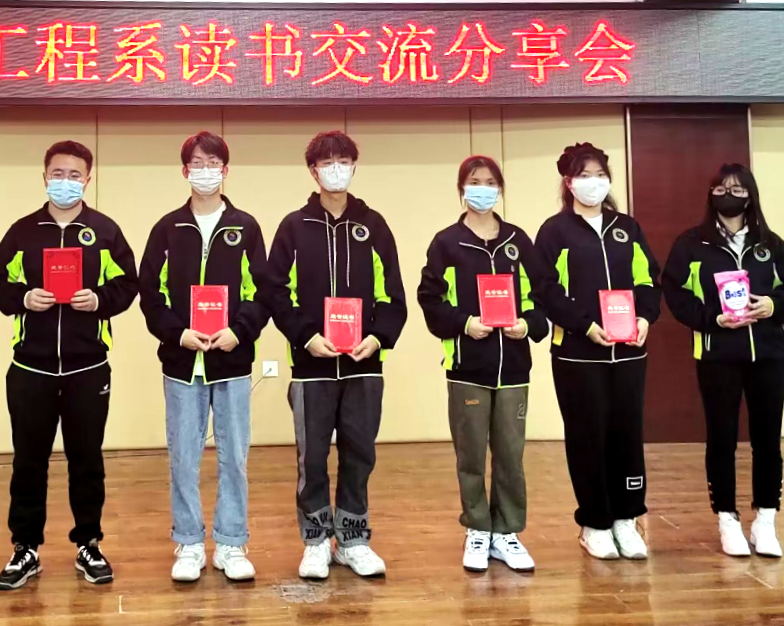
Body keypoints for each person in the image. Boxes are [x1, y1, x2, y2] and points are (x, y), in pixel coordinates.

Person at [0, 140, 139, 590]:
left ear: (88, 179)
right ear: (44, 176)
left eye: (74, 175)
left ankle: (88, 542)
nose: (65, 181)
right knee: (28, 461)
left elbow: (129, 283)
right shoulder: (23, 231)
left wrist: (100, 300)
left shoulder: (104, 231)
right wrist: (23, 297)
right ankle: (25, 548)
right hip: (30, 368)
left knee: (86, 460)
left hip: (87, 367)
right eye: (58, 173)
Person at [264, 130, 407, 580]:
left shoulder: (374, 225)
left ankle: (353, 539)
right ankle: (314, 540)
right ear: (313, 171)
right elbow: (275, 292)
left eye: (343, 161)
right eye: (327, 163)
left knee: (359, 453)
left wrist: (378, 339)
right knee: (312, 460)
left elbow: (393, 296)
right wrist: (306, 337)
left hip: (364, 365)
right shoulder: (293, 227)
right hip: (312, 366)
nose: (336, 170)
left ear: (354, 167)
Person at [138, 131, 270, 582]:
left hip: (231, 361)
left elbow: (262, 291)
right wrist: (177, 334)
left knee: (234, 456)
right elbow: (150, 293)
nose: (206, 171)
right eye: (197, 163)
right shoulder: (167, 229)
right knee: (183, 456)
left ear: (225, 171)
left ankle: (231, 542)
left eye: (214, 163)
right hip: (182, 363)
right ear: (184, 171)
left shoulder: (246, 227)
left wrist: (239, 331)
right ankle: (189, 542)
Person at [661, 163, 784, 558]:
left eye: (738, 189)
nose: (729, 194)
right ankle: (727, 519)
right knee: (721, 439)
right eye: (722, 188)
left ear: (750, 196)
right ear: (711, 194)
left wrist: (773, 305)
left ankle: (766, 520)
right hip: (717, 355)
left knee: (767, 440)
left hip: (768, 355)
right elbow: (674, 293)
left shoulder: (770, 244)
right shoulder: (692, 244)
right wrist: (711, 319)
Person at [417, 156, 548, 573]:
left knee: (510, 454)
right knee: (471, 455)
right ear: (462, 188)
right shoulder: (446, 243)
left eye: (490, 182)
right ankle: (476, 527)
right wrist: (464, 324)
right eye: (475, 181)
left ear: (500, 189)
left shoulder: (517, 241)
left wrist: (528, 324)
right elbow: (430, 298)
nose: (483, 189)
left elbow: (542, 295)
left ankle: (506, 531)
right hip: (467, 367)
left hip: (514, 368)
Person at [533, 142, 661, 561]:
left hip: (628, 353)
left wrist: (645, 317)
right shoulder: (555, 231)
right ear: (569, 183)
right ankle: (595, 522)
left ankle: (627, 517)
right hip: (577, 353)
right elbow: (545, 289)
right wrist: (585, 325)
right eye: (584, 175)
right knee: (587, 435)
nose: (594, 182)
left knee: (627, 433)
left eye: (600, 175)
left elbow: (647, 278)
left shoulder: (627, 228)